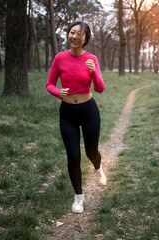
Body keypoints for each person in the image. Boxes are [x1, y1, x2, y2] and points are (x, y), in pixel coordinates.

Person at [45, 21, 107, 214]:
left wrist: (94, 71)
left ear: (85, 38)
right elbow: (49, 84)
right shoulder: (60, 58)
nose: (74, 36)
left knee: (91, 152)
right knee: (73, 155)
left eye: (79, 34)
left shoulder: (91, 59)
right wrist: (58, 93)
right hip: (68, 113)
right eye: (72, 32)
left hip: (89, 111)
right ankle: (79, 196)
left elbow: (100, 88)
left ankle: (98, 167)